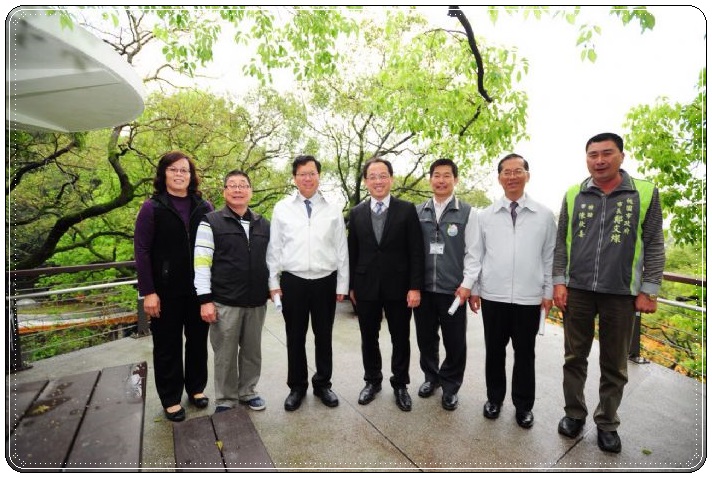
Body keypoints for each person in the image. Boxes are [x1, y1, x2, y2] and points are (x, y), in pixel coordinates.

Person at [553, 132, 665, 453]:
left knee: (614, 362)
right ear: (586, 158)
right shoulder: (574, 194)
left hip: (621, 293)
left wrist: (649, 289)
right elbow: (561, 242)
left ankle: (607, 422)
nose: (599, 160)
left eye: (606, 153)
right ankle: (574, 414)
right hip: (578, 291)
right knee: (574, 357)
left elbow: (655, 242)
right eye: (592, 155)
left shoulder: (643, 192)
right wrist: (559, 281)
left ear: (621, 156)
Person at [468, 154, 557, 429]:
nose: (512, 177)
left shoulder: (543, 215)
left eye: (518, 171)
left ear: (527, 175)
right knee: (494, 351)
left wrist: (548, 290)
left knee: (525, 353)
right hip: (493, 296)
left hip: (529, 297)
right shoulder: (485, 215)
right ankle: (494, 399)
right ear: (499, 178)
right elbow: (477, 255)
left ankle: (523, 406)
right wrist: (475, 289)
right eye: (506, 172)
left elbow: (550, 256)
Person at [134, 150, 213, 422]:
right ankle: (170, 398)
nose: (180, 174)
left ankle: (196, 389)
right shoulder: (152, 207)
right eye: (174, 169)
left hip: (198, 289)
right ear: (164, 174)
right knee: (167, 345)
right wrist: (149, 292)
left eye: (184, 170)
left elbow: (215, 247)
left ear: (191, 176)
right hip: (164, 291)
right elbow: (142, 251)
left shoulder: (204, 207)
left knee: (198, 342)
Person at [266, 155, 349, 412]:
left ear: (319, 176)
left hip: (326, 281)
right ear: (294, 178)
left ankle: (323, 384)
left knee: (323, 336)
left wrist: (342, 286)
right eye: (302, 174)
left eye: (312, 173)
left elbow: (341, 249)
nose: (307, 178)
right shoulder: (282, 208)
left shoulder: (332, 208)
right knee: (295, 336)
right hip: (294, 281)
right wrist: (273, 281)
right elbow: (274, 248)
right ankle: (297, 386)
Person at [347, 156, 424, 412]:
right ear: (366, 181)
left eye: (383, 176)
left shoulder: (406, 209)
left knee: (400, 337)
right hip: (366, 286)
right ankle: (372, 381)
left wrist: (415, 286)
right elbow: (352, 251)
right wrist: (351, 287)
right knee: (369, 337)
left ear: (391, 179)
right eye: (372, 176)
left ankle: (400, 384)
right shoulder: (356, 213)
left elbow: (416, 251)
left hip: (399, 287)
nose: (378, 181)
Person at [194, 170, 270, 413]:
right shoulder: (210, 221)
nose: (238, 189)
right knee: (224, 355)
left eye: (243, 185)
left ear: (250, 191)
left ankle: (248, 392)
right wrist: (205, 300)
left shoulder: (262, 223)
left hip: (256, 301)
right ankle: (226, 399)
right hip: (224, 301)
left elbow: (272, 259)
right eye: (232, 185)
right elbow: (201, 262)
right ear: (224, 191)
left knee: (252, 352)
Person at [413, 158, 478, 411]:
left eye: (446, 176)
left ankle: (450, 386)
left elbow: (474, 253)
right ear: (430, 180)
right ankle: (431, 378)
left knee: (455, 342)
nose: (441, 180)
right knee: (425, 339)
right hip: (425, 289)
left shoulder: (468, 212)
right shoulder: (418, 211)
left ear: (455, 179)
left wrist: (468, 285)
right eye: (436, 175)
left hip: (454, 291)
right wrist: (413, 285)